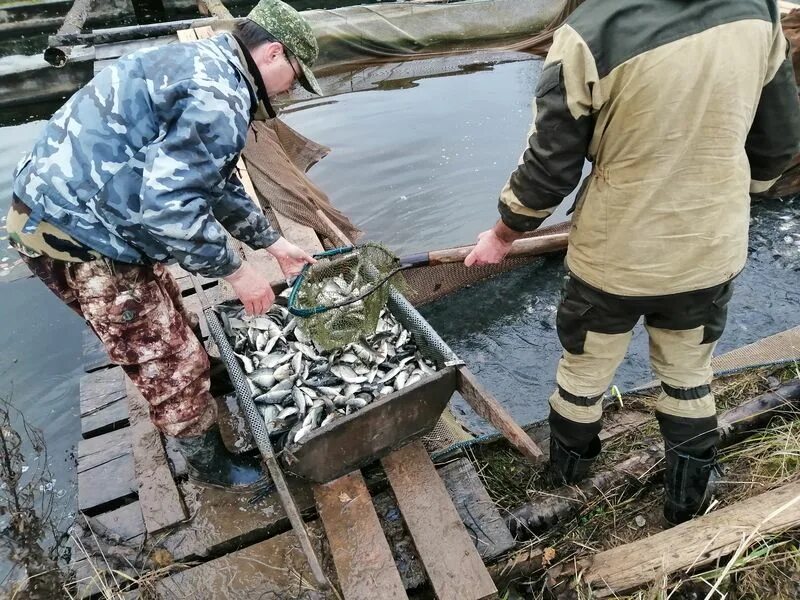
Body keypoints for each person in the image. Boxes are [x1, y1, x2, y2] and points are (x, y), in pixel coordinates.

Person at [465, 0, 800, 524]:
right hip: (709, 251)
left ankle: (564, 488)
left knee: (585, 371)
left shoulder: (588, 32)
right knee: (690, 372)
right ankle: (686, 504)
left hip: (615, 259)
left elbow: (549, 171)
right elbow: (779, 141)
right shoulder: (759, 11)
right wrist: (737, 195)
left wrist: (504, 233)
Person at [7, 0, 323, 489]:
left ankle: (203, 380)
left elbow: (210, 180)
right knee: (165, 356)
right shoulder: (220, 96)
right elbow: (170, 209)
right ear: (275, 53)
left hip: (61, 209)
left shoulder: (204, 63)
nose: (291, 91)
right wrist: (239, 272)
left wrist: (273, 243)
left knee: (164, 306)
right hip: (78, 235)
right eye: (297, 77)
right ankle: (211, 466)